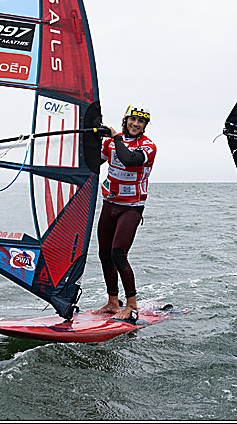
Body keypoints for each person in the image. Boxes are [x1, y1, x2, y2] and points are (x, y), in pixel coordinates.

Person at [94, 105, 156, 322]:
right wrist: (91, 134)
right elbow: (93, 161)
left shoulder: (148, 146)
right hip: (109, 204)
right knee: (104, 253)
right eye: (133, 120)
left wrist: (115, 137)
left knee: (118, 254)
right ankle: (113, 301)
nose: (136, 124)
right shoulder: (111, 143)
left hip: (131, 208)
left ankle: (131, 305)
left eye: (141, 122)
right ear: (126, 120)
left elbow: (129, 160)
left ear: (145, 126)